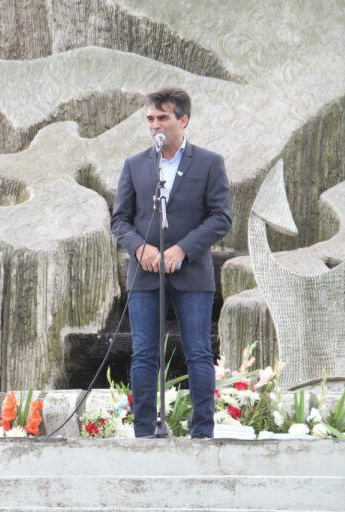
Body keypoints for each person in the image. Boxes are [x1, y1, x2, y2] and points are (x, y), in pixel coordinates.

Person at [111, 87, 232, 438]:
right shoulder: (134, 165)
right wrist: (139, 249)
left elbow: (221, 217)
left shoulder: (209, 163)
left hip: (191, 272)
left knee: (198, 351)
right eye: (150, 118)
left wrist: (181, 249)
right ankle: (145, 432)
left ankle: (202, 433)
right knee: (144, 354)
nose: (155, 125)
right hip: (145, 274)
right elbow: (120, 219)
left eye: (162, 117)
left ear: (183, 120)